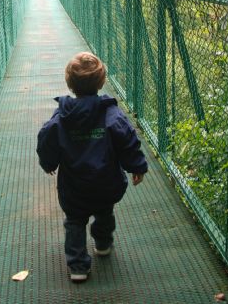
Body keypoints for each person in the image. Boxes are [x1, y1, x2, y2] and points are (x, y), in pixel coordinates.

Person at [37, 51, 148, 283]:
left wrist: (48, 163)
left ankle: (78, 266)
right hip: (107, 184)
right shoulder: (111, 114)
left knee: (75, 221)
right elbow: (127, 140)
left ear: (70, 83)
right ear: (101, 81)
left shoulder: (62, 118)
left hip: (74, 186)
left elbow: (47, 137)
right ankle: (103, 243)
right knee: (104, 211)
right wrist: (137, 166)